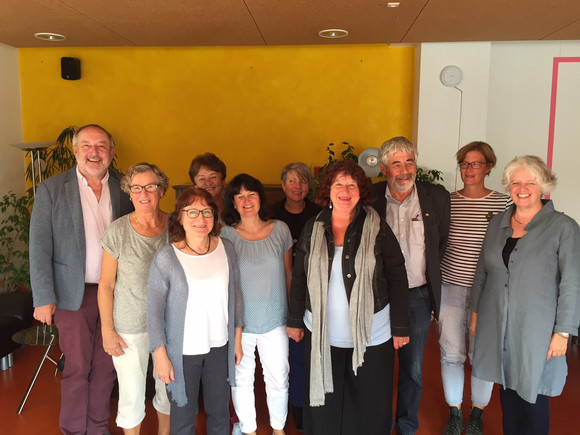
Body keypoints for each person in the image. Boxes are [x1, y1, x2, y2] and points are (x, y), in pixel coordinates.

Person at [287, 160, 410, 435]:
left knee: (368, 399)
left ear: (360, 190)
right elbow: (300, 277)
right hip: (322, 331)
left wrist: (400, 326)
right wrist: (294, 320)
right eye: (338, 183)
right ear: (328, 189)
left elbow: (398, 276)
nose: (345, 190)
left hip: (371, 332)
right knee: (326, 401)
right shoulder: (313, 226)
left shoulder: (377, 226)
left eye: (351, 184)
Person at [29, 124, 133, 435]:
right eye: (86, 145)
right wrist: (43, 297)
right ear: (75, 151)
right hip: (72, 295)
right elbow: (39, 246)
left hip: (116, 295)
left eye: (101, 146)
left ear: (112, 153)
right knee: (76, 368)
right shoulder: (51, 189)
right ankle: (74, 431)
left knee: (105, 368)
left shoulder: (126, 187)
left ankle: (98, 428)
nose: (94, 152)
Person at [470, 155, 580, 435]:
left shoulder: (563, 227)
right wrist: (475, 313)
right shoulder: (496, 224)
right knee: (507, 390)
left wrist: (563, 332)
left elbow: (572, 282)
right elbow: (482, 271)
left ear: (543, 185)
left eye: (530, 182)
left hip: (538, 328)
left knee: (532, 394)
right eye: (516, 182)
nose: (522, 188)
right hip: (497, 321)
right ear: (508, 186)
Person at [148, 187, 244, 435]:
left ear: (214, 215)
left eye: (206, 211)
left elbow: (236, 296)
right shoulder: (167, 258)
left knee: (220, 412)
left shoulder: (227, 248)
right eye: (192, 212)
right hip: (183, 351)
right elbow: (154, 312)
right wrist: (161, 357)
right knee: (183, 416)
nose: (200, 219)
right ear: (179, 217)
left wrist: (237, 340)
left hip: (219, 346)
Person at [372, 136, 450, 435]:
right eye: (396, 164)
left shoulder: (437, 197)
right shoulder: (371, 199)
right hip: (379, 297)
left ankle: (406, 426)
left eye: (409, 162)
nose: (404, 170)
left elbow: (439, 245)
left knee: (412, 369)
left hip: (417, 297)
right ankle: (377, 425)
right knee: (376, 366)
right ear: (383, 168)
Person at [438, 142, 512, 435]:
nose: (469, 170)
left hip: (489, 292)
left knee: (482, 352)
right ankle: (455, 412)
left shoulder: (504, 203)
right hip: (451, 286)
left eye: (476, 164)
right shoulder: (448, 202)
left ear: (489, 167)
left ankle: (477, 414)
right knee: (451, 352)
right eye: (464, 164)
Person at [98, 162, 171, 434]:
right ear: (129, 193)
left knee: (168, 387)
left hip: (169, 324)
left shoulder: (176, 226)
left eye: (150, 186)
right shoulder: (118, 231)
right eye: (136, 187)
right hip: (129, 326)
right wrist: (108, 329)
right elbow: (105, 285)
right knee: (131, 393)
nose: (144, 193)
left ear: (161, 190)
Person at [221, 174, 293, 435]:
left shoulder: (280, 229)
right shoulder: (225, 235)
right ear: (233, 203)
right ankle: (249, 430)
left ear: (260, 198)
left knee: (278, 379)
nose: (246, 200)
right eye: (239, 196)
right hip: (240, 324)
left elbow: (288, 274)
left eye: (251, 194)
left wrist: (293, 317)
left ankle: (278, 428)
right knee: (241, 381)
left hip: (276, 320)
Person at [270, 162, 321, 432]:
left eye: (302, 181)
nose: (297, 186)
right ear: (283, 185)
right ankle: (287, 405)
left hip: (314, 293)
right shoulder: (271, 215)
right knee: (282, 357)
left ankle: (303, 405)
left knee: (304, 354)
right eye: (292, 181)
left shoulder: (320, 214)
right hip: (276, 291)